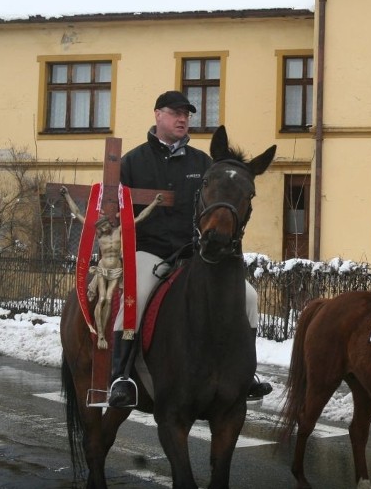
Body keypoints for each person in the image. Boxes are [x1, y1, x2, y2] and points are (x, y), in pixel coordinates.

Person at [107, 90, 273, 408]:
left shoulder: (203, 163)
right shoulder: (133, 162)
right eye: (175, 112)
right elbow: (116, 212)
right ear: (158, 115)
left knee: (248, 298)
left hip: (194, 254)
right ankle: (122, 376)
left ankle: (244, 374)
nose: (183, 118)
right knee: (137, 298)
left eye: (187, 113)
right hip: (149, 252)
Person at [60, 186, 162, 350]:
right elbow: (78, 214)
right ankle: (100, 335)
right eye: (100, 227)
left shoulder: (118, 231)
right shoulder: (99, 235)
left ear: (108, 224)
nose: (102, 228)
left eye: (104, 226)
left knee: (108, 298)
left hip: (116, 271)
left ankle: (108, 333)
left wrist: (155, 203)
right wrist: (66, 196)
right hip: (102, 270)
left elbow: (140, 217)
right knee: (102, 299)